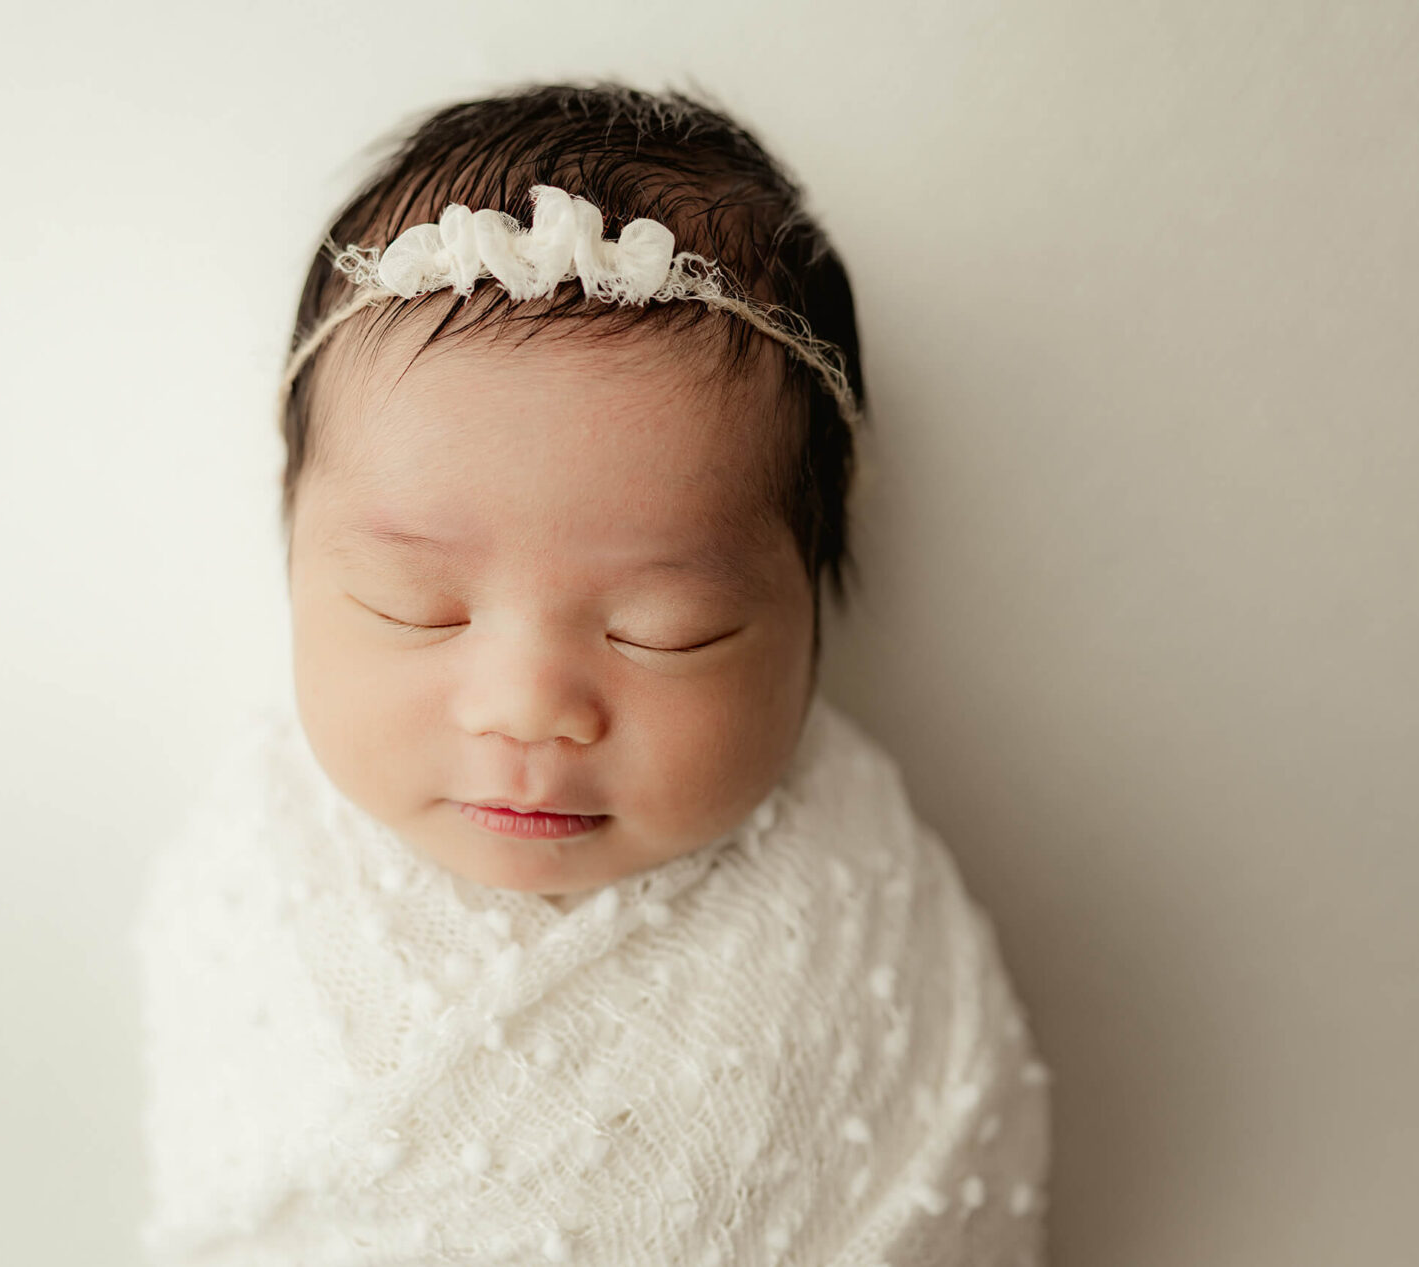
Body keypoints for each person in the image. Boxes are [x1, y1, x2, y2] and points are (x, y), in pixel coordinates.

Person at [136, 80, 1051, 1265]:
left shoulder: (861, 921)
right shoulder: (259, 867)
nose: (528, 706)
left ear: (812, 610)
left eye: (665, 629)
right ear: (293, 552)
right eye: (414, 606)